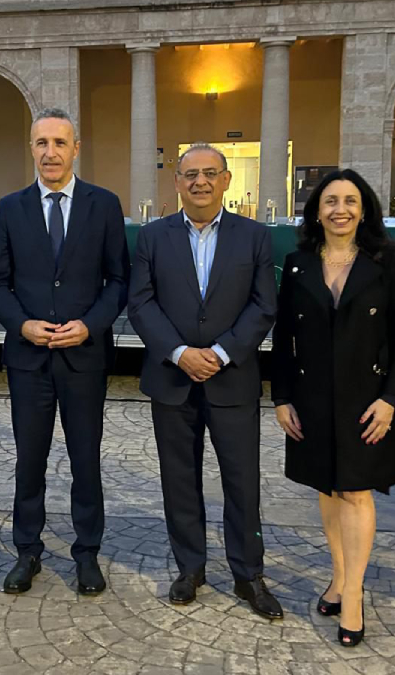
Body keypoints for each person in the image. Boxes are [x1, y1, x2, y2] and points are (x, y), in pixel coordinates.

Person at [127, 144, 281, 619]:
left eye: (209, 173)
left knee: (241, 482)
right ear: (176, 181)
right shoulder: (153, 238)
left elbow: (263, 306)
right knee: (179, 479)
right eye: (190, 174)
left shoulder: (254, 237)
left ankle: (248, 574)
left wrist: (216, 353)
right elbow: (141, 304)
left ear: (227, 179)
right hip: (172, 379)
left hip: (231, 378)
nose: (200, 182)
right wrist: (179, 353)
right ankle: (189, 568)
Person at [0, 107, 130, 595]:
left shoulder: (104, 204)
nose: (50, 152)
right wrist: (21, 324)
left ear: (75, 149)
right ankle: (28, 550)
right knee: (30, 457)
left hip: (84, 357)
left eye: (60, 143)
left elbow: (119, 281)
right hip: (29, 360)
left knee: (85, 457)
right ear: (31, 148)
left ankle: (87, 552)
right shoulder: (10, 208)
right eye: (42, 142)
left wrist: (89, 326)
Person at [270, 168, 395, 646]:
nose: (340, 209)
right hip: (311, 399)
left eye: (350, 201)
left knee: (355, 492)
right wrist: (283, 397)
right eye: (330, 201)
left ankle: (352, 595)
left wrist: (391, 399)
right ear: (316, 210)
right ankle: (338, 575)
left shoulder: (386, 261)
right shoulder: (296, 263)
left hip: (367, 400)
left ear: (364, 208)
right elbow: (284, 339)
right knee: (328, 489)